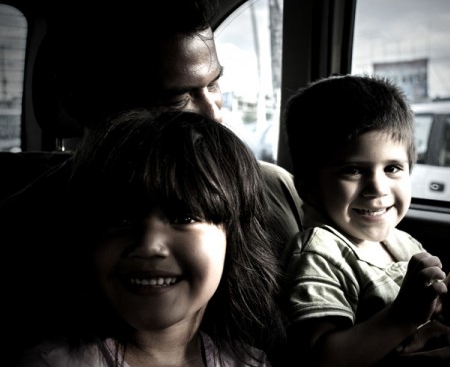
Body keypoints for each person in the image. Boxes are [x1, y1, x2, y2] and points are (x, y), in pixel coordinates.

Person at [0, 0, 301, 365]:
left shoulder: (272, 191)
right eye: (175, 99)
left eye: (212, 84)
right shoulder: (12, 233)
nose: (213, 115)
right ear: (90, 106)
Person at [17, 109, 287, 366]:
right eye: (122, 219)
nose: (148, 246)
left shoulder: (253, 362)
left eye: (184, 218)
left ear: (234, 239)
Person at [281, 74, 450, 366]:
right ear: (309, 188)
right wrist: (403, 315)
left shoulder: (403, 243)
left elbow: (431, 318)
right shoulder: (319, 252)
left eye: (392, 168)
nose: (377, 188)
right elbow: (320, 357)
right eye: (353, 170)